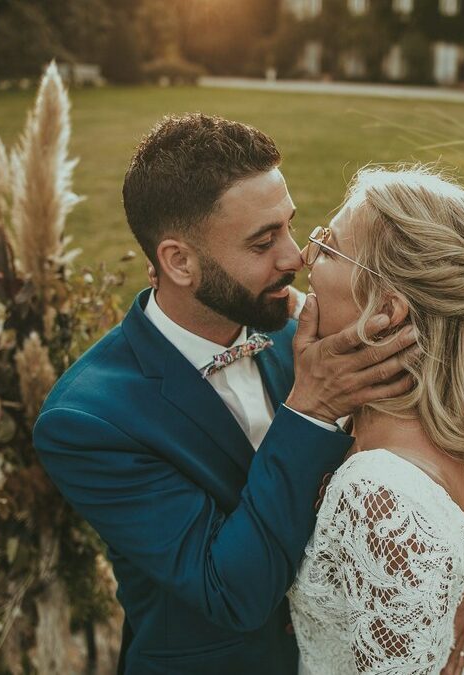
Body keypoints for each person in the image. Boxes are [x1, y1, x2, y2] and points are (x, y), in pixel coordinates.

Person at [32, 113, 422, 675]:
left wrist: (447, 572)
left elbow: (403, 461)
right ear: (179, 261)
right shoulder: (87, 421)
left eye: (289, 225)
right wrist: (309, 412)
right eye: (264, 241)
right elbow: (230, 591)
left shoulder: (299, 333)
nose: (295, 257)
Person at [288, 166, 464, 674]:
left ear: (386, 311)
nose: (306, 257)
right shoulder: (419, 441)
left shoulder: (380, 493)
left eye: (327, 247)